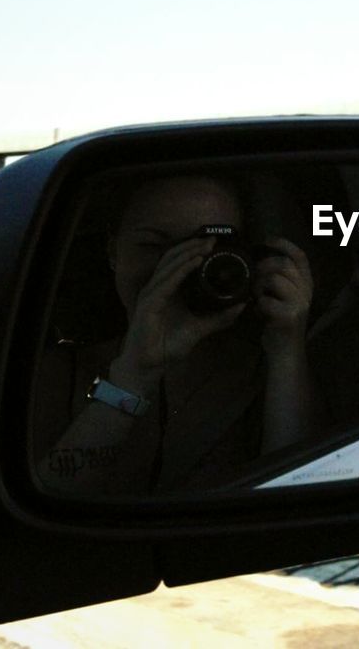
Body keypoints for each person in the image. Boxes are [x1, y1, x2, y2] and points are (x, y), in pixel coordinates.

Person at [33, 173, 323, 494]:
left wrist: (287, 347)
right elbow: (49, 497)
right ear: (113, 251)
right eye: (154, 245)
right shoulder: (53, 375)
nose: (180, 266)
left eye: (214, 246)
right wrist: (133, 375)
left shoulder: (265, 375)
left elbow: (294, 497)